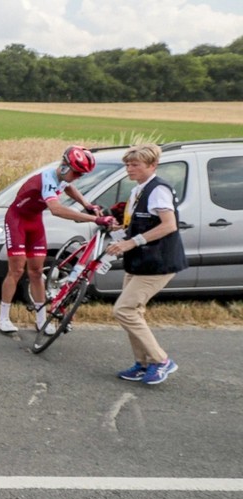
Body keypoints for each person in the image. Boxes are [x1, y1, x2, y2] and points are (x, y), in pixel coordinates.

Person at [0, 145, 114, 334]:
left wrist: (87, 204)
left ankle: (41, 320)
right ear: (66, 166)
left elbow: (68, 188)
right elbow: (57, 209)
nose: (78, 177)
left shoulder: (62, 177)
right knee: (17, 270)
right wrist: (95, 218)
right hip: (17, 220)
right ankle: (3, 317)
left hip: (34, 221)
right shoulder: (48, 179)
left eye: (81, 175)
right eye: (77, 173)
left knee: (36, 272)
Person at [104, 143, 186, 385]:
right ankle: (142, 364)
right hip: (140, 261)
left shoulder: (158, 189)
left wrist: (131, 243)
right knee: (134, 311)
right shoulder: (139, 190)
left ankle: (161, 361)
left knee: (124, 310)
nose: (129, 169)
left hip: (158, 261)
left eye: (135, 164)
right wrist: (121, 229)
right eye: (128, 164)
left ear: (152, 165)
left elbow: (169, 225)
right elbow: (142, 221)